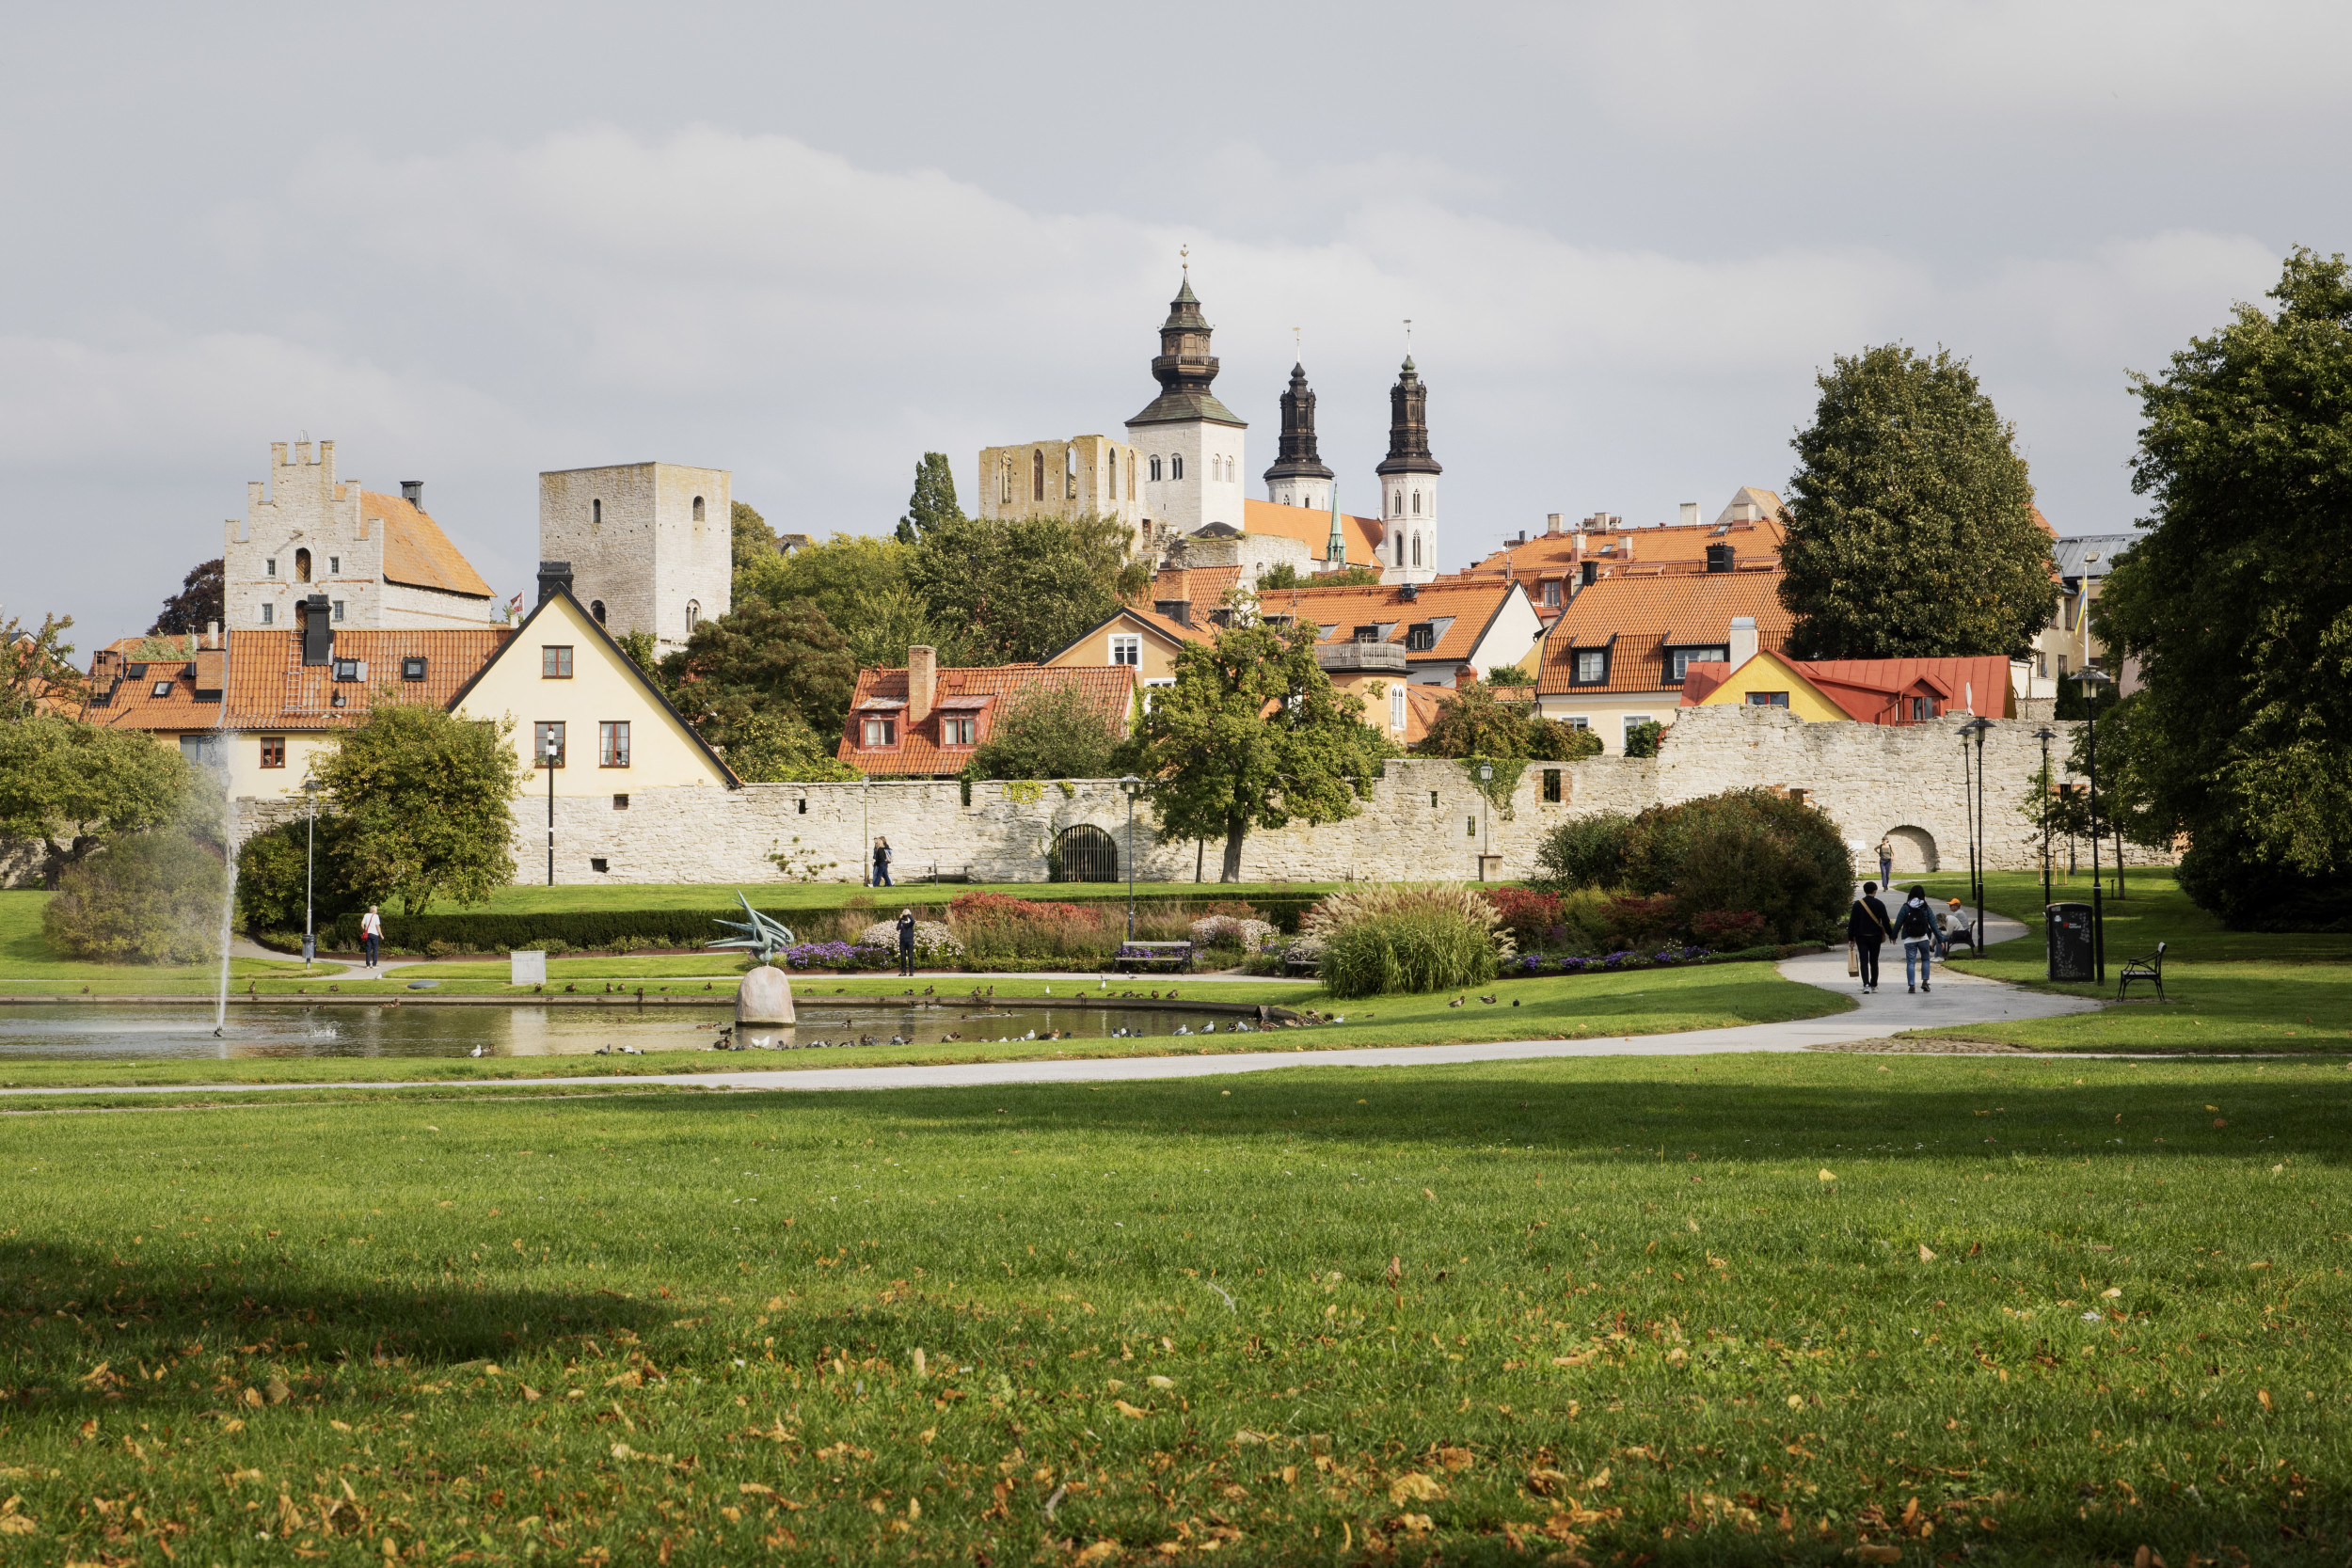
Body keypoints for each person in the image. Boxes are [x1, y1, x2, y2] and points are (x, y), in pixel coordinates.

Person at [1846, 880, 1892, 994]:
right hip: (1875, 936)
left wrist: (1851, 938)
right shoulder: (1879, 904)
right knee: (1874, 961)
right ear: (1875, 890)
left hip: (1861, 936)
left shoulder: (1857, 904)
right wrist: (1891, 934)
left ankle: (1866, 984)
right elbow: (1885, 921)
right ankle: (1874, 984)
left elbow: (1852, 922)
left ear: (1865, 891)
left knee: (1864, 961)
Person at [1893, 883, 1937, 993]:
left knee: (1911, 962)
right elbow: (1934, 924)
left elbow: (1898, 922)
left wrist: (1893, 936)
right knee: (1925, 959)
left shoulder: (1906, 907)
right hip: (1923, 938)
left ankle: (1911, 985)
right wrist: (1940, 939)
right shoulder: (1926, 907)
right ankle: (1925, 982)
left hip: (1909, 938)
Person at [896, 908, 917, 977]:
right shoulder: (902, 922)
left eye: (906, 915)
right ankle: (903, 972)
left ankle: (911, 972)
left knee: (910, 957)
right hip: (902, 942)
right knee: (903, 957)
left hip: (910, 941)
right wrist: (900, 919)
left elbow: (913, 921)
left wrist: (908, 914)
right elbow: (897, 928)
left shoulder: (910, 923)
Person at [360, 905, 382, 969]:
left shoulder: (366, 915)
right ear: (374, 911)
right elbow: (377, 926)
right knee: (375, 949)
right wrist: (381, 934)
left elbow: (362, 924)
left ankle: (368, 965)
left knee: (368, 949)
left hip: (368, 934)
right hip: (375, 934)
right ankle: (374, 964)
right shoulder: (376, 916)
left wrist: (364, 930)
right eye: (376, 910)